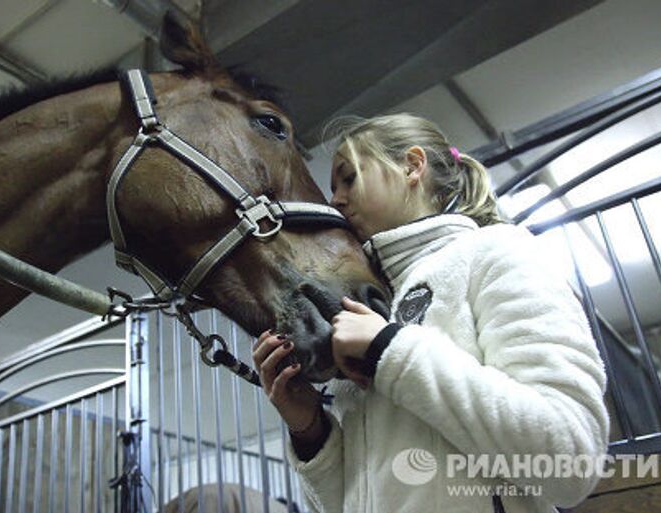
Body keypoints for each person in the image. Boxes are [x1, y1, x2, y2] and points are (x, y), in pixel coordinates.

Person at [251, 114, 610, 513]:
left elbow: (570, 462)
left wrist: (389, 349)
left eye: (349, 178)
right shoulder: (369, 306)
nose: (335, 200)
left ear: (412, 165)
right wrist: (308, 428)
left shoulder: (495, 251)